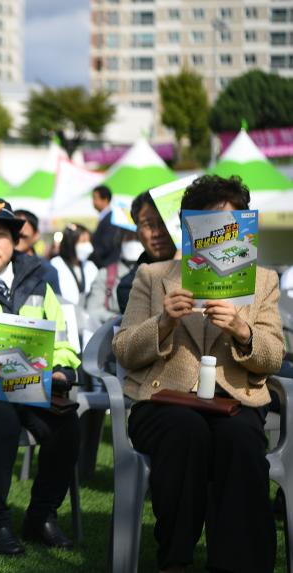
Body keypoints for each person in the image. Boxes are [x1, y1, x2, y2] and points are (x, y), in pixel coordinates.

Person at [113, 175, 284, 573]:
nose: (218, 236)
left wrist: (243, 332)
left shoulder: (264, 281)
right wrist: (163, 323)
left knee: (240, 441)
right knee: (183, 432)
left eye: (228, 225)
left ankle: (239, 563)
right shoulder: (154, 276)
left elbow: (274, 356)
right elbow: (123, 349)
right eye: (207, 226)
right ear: (190, 230)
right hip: (163, 398)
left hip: (234, 402)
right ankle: (176, 556)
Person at [0, 198, 82, 555]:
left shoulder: (39, 278)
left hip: (31, 384)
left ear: (15, 240)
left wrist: (61, 368)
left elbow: (62, 337)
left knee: (67, 426)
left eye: (1, 235)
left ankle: (41, 516)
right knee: (1, 421)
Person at [116, 191, 178, 313]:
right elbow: (144, 329)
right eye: (148, 224)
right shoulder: (130, 285)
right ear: (137, 232)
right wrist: (176, 269)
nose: (157, 233)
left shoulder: (200, 269)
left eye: (163, 223)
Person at [84, 228, 142, 323]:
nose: (133, 243)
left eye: (137, 239)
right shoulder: (105, 274)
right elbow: (93, 311)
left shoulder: (154, 273)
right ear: (120, 241)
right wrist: (118, 319)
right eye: (128, 238)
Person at [14, 209, 61, 295]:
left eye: (22, 236)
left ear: (36, 235)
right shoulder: (0, 268)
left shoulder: (47, 270)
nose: (17, 241)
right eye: (13, 235)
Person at [50, 223, 97, 307]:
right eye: (83, 241)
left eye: (89, 241)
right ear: (70, 243)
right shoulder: (55, 265)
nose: (88, 245)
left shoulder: (90, 266)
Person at [89, 184, 118, 268]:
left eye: (95, 198)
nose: (93, 201)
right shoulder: (105, 217)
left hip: (106, 266)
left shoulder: (111, 219)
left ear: (105, 199)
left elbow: (106, 245)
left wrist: (90, 256)